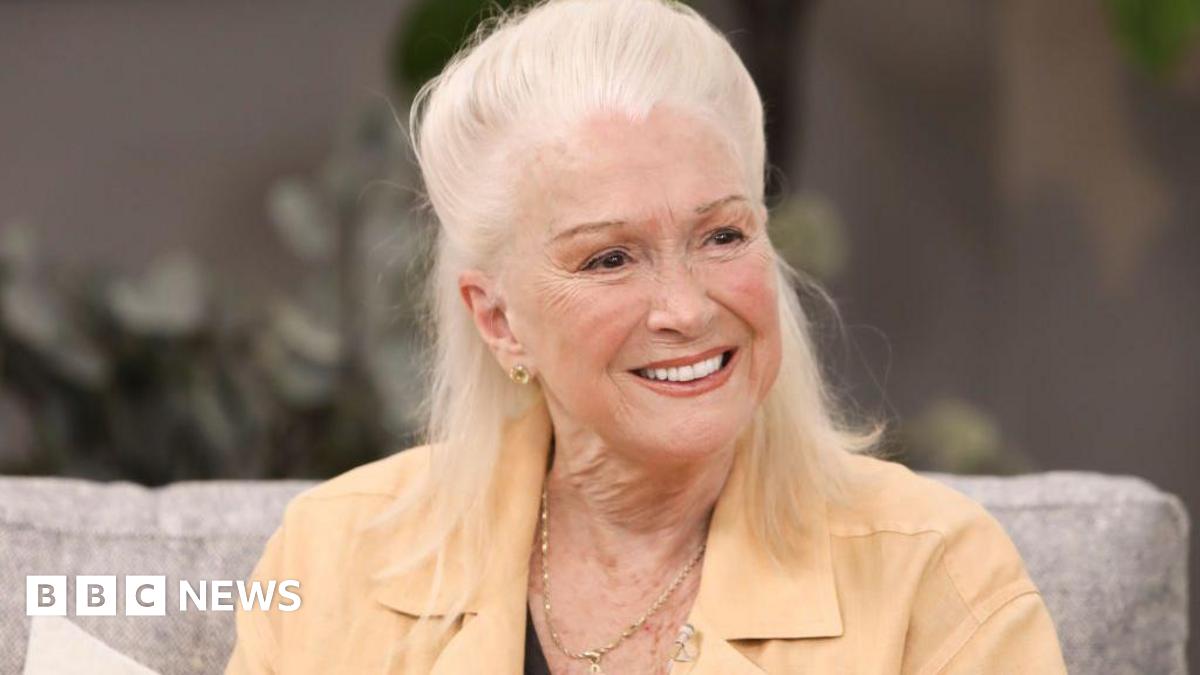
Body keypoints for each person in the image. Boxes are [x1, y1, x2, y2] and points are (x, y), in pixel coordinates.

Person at [226, 0, 1070, 672]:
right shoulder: (331, 555)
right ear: (498, 319)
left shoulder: (938, 577)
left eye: (722, 236)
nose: (687, 308)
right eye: (610, 258)